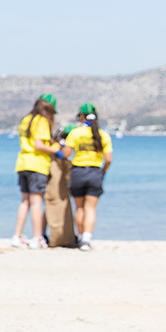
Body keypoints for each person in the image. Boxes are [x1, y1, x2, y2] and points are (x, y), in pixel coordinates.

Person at [12, 94, 66, 248]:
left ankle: (17, 236)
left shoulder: (26, 119)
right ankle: (37, 237)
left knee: (25, 201)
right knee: (36, 202)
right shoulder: (41, 121)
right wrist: (56, 149)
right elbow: (39, 145)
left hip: (22, 163)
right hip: (37, 164)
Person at [65, 103, 114, 251]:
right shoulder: (103, 135)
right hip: (95, 172)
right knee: (91, 208)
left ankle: (80, 238)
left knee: (79, 208)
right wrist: (103, 172)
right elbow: (108, 159)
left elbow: (66, 154)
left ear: (81, 116)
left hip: (78, 172)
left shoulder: (76, 133)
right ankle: (87, 239)